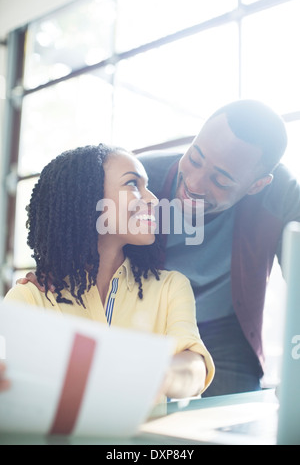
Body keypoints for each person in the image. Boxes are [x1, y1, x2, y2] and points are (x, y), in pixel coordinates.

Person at [3, 143, 214, 400]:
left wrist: (152, 375)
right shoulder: (31, 298)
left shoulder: (170, 287)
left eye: (146, 186)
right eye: (133, 185)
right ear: (88, 197)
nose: (153, 199)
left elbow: (194, 367)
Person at [137, 99, 300, 397]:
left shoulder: (282, 194)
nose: (195, 184)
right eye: (195, 159)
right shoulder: (141, 177)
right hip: (142, 320)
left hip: (224, 328)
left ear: (257, 185)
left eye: (221, 180)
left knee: (234, 425)